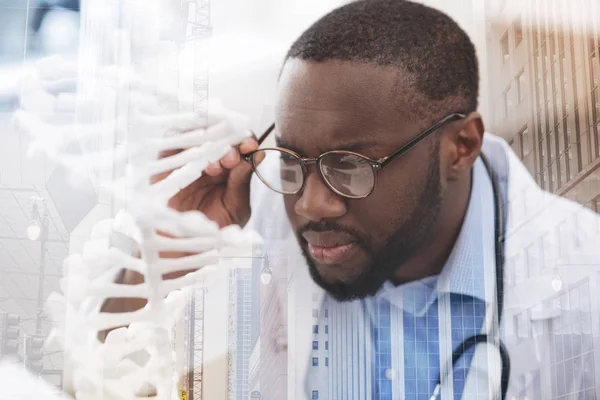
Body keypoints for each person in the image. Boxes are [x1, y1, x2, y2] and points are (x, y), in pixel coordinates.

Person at [103, 0, 600, 399]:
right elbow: (100, 357)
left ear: (460, 147)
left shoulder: (582, 277)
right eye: (293, 161)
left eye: (351, 165)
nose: (311, 205)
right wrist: (162, 243)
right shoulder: (269, 204)